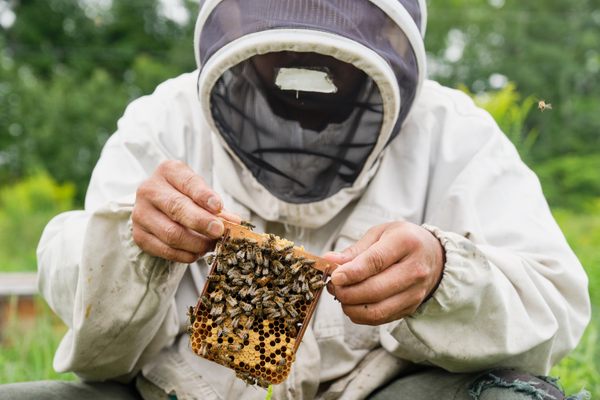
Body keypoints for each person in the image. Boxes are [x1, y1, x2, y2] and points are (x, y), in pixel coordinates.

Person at [0, 0, 591, 399]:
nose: (305, 78)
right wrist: (131, 243)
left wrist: (444, 276)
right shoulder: (163, 123)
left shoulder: (455, 134)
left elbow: (555, 306)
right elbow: (100, 357)